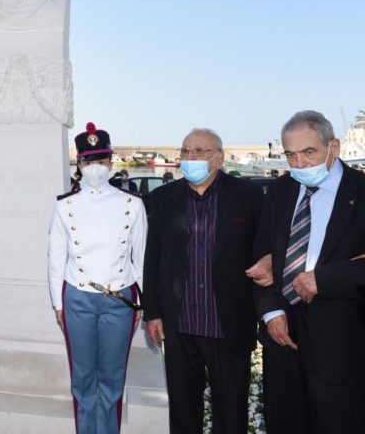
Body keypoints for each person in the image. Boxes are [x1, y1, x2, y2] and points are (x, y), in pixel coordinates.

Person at [249, 110, 365, 434]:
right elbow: (262, 257)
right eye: (290, 155)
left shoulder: (362, 192)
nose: (299, 164)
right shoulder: (280, 191)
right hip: (283, 344)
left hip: (343, 351)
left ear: (335, 147)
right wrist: (270, 311)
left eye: (308, 152)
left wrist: (323, 280)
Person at [143, 128, 264, 434]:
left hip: (227, 323)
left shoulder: (248, 196)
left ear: (219, 159)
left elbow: (263, 253)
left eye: (200, 151)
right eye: (185, 151)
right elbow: (153, 258)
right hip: (180, 323)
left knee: (231, 412)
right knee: (184, 413)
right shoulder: (162, 198)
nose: (191, 157)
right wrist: (153, 312)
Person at [48, 122, 147, 434]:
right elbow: (55, 258)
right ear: (79, 164)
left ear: (111, 162)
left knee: (113, 379)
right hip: (77, 296)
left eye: (101, 161)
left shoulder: (133, 204)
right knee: (83, 379)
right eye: (89, 161)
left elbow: (141, 257)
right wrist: (57, 303)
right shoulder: (65, 205)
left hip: (119, 297)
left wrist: (141, 301)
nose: (95, 168)